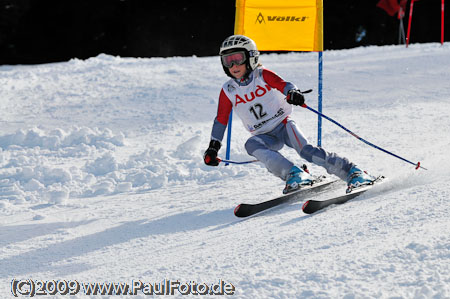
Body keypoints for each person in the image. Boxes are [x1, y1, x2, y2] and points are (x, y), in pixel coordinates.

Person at [203, 35, 375, 194]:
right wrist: (213, 147)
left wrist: (292, 92)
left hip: (283, 125)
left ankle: (352, 171)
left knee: (306, 151)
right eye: (228, 61)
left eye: (238, 59)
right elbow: (221, 119)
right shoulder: (228, 90)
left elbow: (283, 84)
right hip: (263, 135)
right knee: (252, 145)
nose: (233, 66)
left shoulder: (262, 75)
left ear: (251, 56)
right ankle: (295, 174)